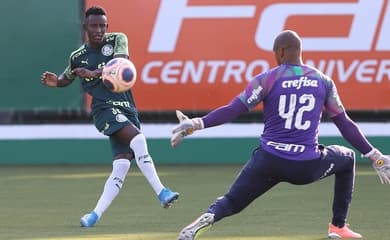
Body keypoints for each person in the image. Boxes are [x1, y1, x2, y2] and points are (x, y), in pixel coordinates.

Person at [171, 30, 390, 239]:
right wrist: (374, 156)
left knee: (231, 202)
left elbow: (233, 109)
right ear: (299, 50)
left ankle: (203, 221)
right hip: (306, 166)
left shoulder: (267, 79)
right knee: (347, 157)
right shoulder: (323, 81)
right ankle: (338, 227)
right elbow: (344, 122)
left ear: (280, 52)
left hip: (268, 160)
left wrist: (196, 124)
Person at [40, 6, 179, 228]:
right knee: (139, 140)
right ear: (85, 27)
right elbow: (68, 76)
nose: (98, 30)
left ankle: (93, 215)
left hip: (127, 108)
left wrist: (92, 73)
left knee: (121, 166)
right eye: (94, 26)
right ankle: (162, 192)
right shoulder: (78, 56)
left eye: (102, 26)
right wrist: (56, 81)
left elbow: (120, 65)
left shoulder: (117, 40)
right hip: (104, 109)